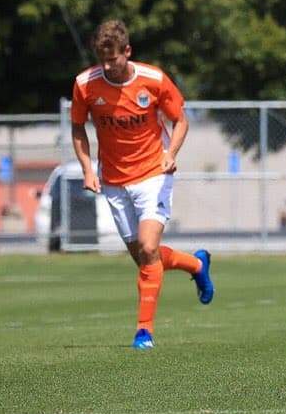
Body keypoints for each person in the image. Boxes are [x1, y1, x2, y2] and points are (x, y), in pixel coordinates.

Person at [70, 20, 213, 350]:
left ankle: (143, 332)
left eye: (113, 60)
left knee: (149, 248)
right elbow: (78, 128)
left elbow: (181, 120)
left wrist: (171, 153)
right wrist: (88, 170)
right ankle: (196, 264)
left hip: (153, 174)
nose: (107, 67)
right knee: (145, 259)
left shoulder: (154, 79)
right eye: (102, 60)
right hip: (114, 181)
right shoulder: (85, 84)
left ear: (127, 51)